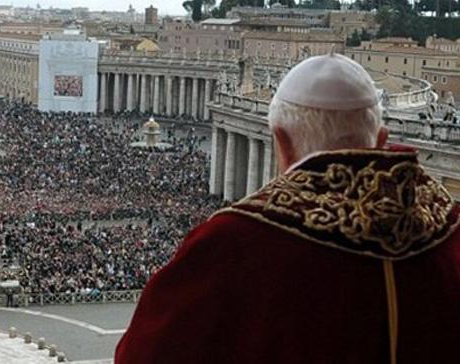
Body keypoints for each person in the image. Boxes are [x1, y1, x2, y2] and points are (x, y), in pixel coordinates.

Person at [115, 54, 460, 363]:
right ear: (382, 139)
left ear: (280, 140)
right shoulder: (448, 228)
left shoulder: (235, 243)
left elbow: (145, 354)